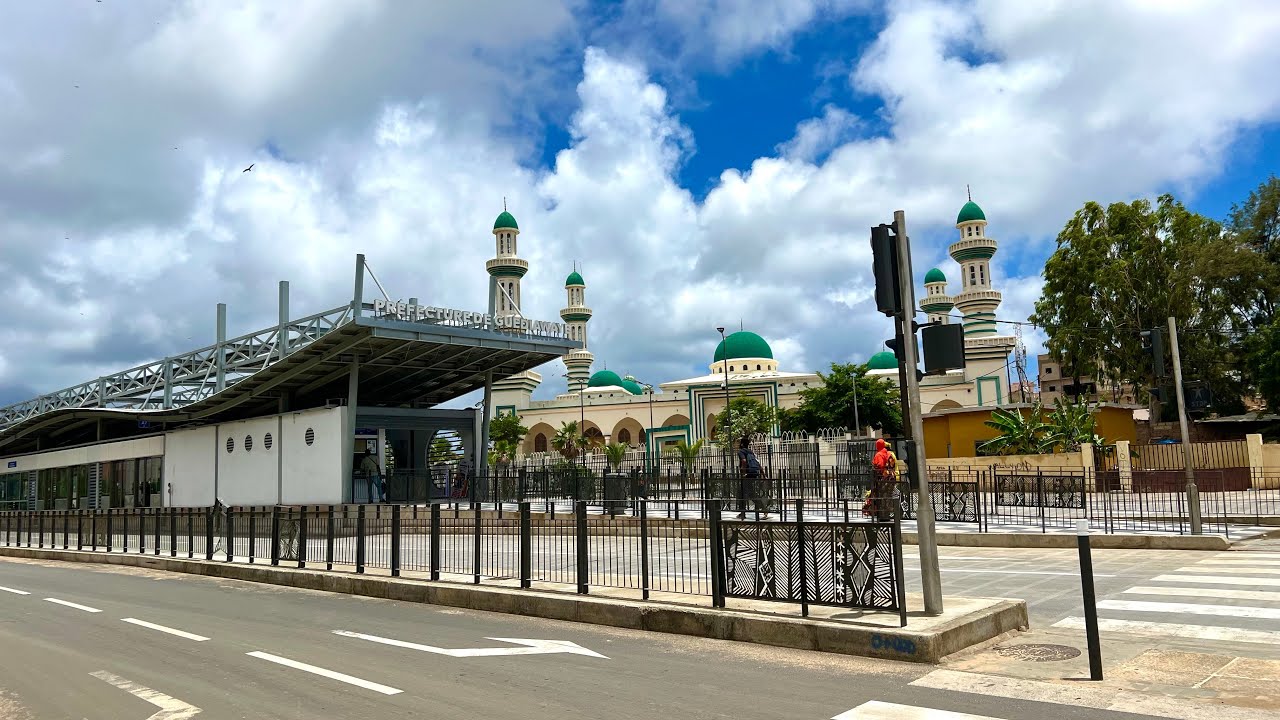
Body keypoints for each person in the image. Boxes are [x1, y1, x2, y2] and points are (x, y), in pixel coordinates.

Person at [736, 438, 766, 519]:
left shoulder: (741, 452)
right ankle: (763, 509)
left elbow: (744, 461)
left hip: (747, 475)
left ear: (742, 444)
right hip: (753, 474)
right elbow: (758, 463)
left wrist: (744, 473)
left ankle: (743, 513)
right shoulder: (750, 452)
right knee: (750, 493)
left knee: (743, 494)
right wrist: (763, 474)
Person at [871, 438, 896, 521]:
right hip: (891, 477)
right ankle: (887, 515)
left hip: (883, 478)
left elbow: (879, 465)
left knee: (882, 497)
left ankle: (882, 516)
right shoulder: (889, 453)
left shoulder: (879, 454)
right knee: (888, 496)